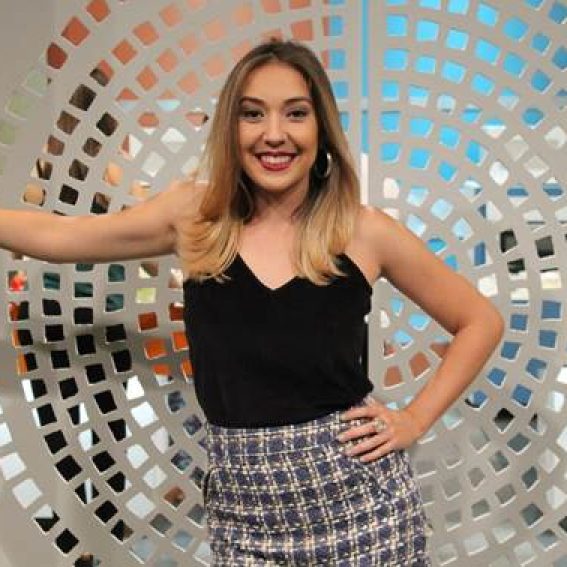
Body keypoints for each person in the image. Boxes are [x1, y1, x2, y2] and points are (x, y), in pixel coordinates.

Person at [0, 39, 504, 565]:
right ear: (230, 127)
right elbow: (62, 236)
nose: (274, 134)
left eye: (296, 113)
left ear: (321, 128)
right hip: (244, 518)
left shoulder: (362, 231)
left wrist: (415, 420)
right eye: (253, 114)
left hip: (362, 509)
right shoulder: (196, 216)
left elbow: (479, 320)